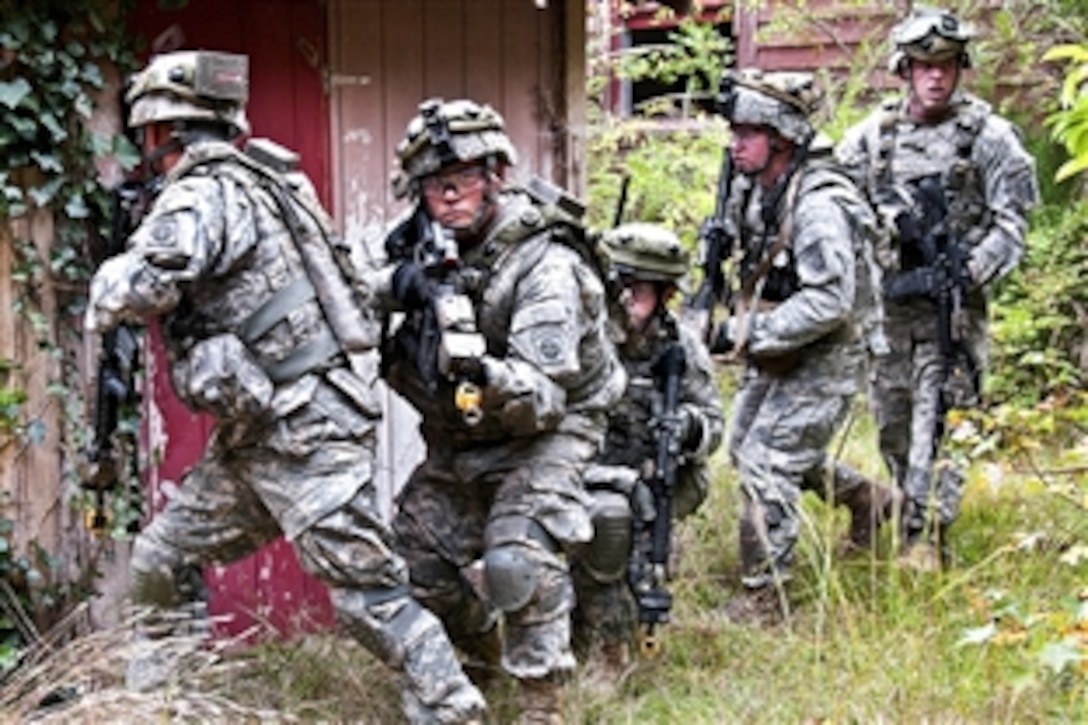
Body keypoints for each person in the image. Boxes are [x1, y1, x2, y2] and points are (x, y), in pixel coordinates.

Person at [85, 52, 486, 723]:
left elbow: (149, 280)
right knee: (163, 555)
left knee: (369, 595)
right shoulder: (270, 182)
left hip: (306, 432)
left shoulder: (202, 191)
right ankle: (164, 703)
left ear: (161, 131)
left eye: (146, 135)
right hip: (261, 435)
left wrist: (106, 281)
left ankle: (454, 707)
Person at [376, 98, 627, 723]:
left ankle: (543, 702)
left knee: (517, 558)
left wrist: (480, 374)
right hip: (466, 437)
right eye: (433, 185)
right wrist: (398, 287)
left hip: (549, 430)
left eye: (461, 180)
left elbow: (544, 394)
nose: (448, 196)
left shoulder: (544, 263)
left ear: (495, 174)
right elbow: (352, 291)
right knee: (411, 560)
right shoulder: (429, 249)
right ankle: (480, 650)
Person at [836, 7, 1038, 570]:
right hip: (893, 308)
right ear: (905, 68)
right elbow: (836, 198)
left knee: (944, 419)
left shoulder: (991, 137)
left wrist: (970, 268)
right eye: (924, 66)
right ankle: (904, 505)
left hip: (954, 310)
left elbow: (1012, 222)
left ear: (959, 68)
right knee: (895, 425)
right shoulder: (872, 138)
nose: (936, 77)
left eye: (946, 65)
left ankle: (926, 536)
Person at [707, 68, 899, 624]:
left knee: (769, 462)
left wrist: (742, 335)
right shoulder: (757, 186)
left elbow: (831, 302)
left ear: (783, 137)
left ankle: (767, 599)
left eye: (749, 132)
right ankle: (868, 499)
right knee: (745, 447)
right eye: (734, 131)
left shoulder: (819, 205)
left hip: (834, 348)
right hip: (784, 342)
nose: (736, 143)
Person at [569, 222, 724, 688]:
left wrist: (687, 428)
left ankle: (610, 652)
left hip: (652, 480)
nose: (626, 301)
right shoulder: (581, 334)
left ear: (664, 295)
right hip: (581, 470)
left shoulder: (680, 347)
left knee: (619, 542)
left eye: (639, 291)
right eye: (619, 287)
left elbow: (713, 424)